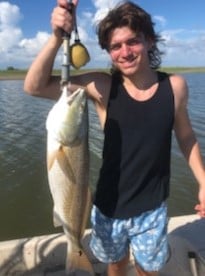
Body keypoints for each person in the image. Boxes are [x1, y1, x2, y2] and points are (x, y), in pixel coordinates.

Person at [24, 0, 205, 275]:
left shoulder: (175, 87)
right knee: (116, 264)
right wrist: (56, 38)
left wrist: (203, 182)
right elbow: (34, 87)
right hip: (108, 206)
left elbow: (186, 137)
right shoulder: (102, 87)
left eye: (132, 41)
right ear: (108, 52)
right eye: (115, 46)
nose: (125, 52)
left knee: (148, 269)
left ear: (149, 40)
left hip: (152, 208)